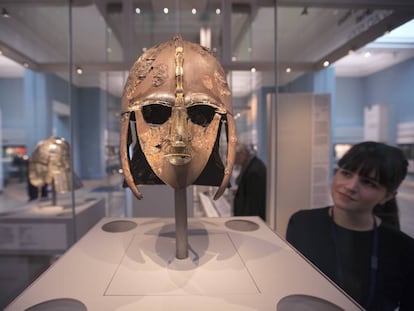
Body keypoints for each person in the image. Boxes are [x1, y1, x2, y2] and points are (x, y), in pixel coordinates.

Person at [286, 141, 414, 311]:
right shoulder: (302, 223)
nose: (351, 187)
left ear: (388, 196)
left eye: (368, 183)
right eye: (346, 173)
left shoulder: (403, 249)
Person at [233, 143, 267, 221]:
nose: (232, 160)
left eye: (234, 156)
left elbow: (253, 205)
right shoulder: (251, 165)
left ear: (242, 154)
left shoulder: (254, 171)